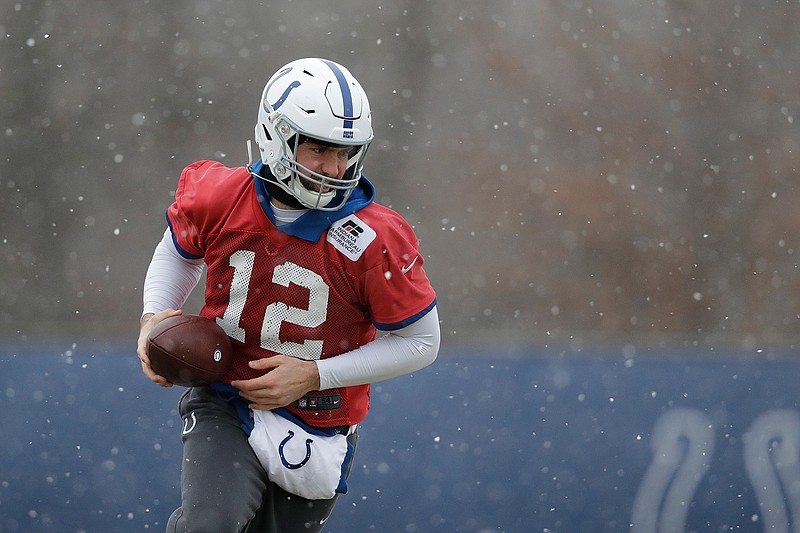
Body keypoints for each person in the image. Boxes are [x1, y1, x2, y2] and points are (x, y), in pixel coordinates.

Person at [135, 57, 440, 532]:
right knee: (208, 524)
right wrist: (153, 317)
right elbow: (178, 251)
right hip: (226, 397)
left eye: (346, 151)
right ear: (277, 136)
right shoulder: (223, 195)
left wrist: (314, 375)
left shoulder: (373, 238)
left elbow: (421, 341)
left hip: (320, 421)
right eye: (319, 149)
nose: (335, 167)